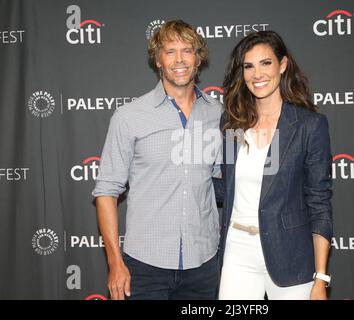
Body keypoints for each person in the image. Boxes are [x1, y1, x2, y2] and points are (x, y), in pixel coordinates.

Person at [92, 20, 223, 300]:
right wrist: (115, 263)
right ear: (158, 59)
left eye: (187, 51)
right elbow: (106, 191)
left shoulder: (219, 115)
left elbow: (229, 180)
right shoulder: (129, 117)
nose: (179, 60)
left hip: (204, 264)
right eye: (170, 51)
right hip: (145, 266)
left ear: (198, 58)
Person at [217, 30, 333, 300]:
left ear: (282, 65)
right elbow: (226, 187)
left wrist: (321, 277)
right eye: (249, 66)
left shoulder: (309, 126)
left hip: (291, 255)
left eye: (265, 63)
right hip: (237, 253)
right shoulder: (232, 123)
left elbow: (319, 202)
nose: (257, 74)